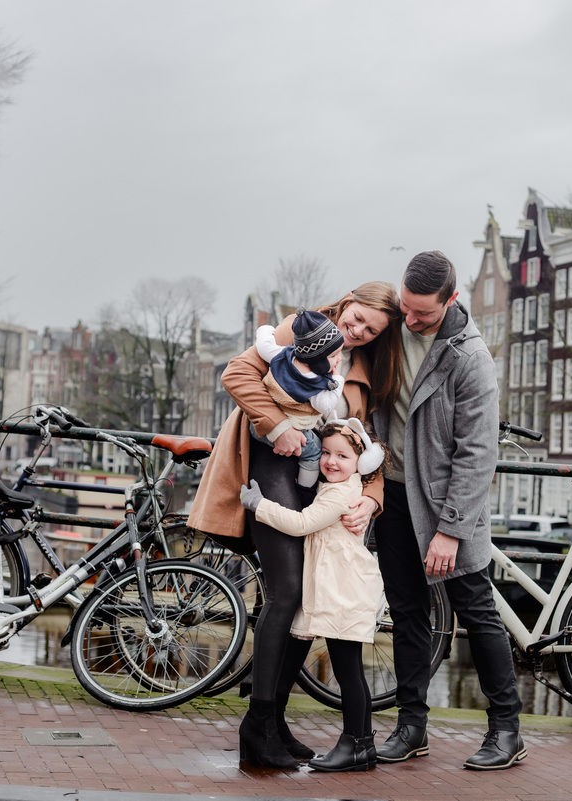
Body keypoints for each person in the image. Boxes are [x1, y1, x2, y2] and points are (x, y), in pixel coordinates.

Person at [187, 281, 404, 770]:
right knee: (286, 592)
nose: (358, 330)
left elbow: (368, 442)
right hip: (273, 465)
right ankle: (257, 725)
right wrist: (278, 425)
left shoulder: (366, 370)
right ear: (347, 301)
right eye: (357, 317)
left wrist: (371, 499)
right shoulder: (301, 329)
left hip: (320, 484)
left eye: (370, 329)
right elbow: (237, 373)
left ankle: (274, 723)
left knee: (301, 597)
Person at [370, 251, 526, 771]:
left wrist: (451, 530)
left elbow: (478, 453)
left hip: (448, 508)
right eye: (406, 308)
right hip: (394, 497)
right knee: (407, 613)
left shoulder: (470, 357)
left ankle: (507, 731)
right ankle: (411, 727)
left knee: (478, 615)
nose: (411, 321)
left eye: (424, 314)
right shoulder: (393, 326)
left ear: (451, 300)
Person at [239, 419, 387, 772]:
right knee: (348, 669)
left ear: (362, 462)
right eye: (326, 453)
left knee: (349, 670)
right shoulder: (338, 486)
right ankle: (360, 745)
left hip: (342, 592)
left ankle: (356, 743)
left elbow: (302, 523)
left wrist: (259, 505)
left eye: (343, 456)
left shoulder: (339, 493)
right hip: (335, 588)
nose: (331, 461)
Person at [251, 309, 345, 490]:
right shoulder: (313, 384)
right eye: (333, 356)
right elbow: (326, 406)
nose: (339, 359)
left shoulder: (283, 355)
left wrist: (266, 329)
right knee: (314, 453)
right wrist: (338, 380)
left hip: (258, 424)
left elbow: (263, 346)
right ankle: (304, 489)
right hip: (289, 429)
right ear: (316, 359)